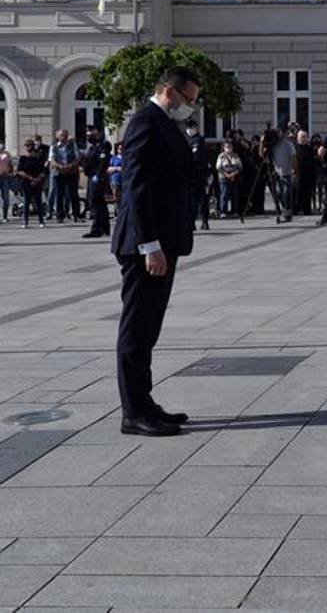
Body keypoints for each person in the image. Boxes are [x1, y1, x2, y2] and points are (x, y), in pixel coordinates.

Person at [110, 66, 201, 437]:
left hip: (163, 242)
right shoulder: (145, 122)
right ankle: (133, 412)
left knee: (148, 328)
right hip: (145, 245)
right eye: (188, 99)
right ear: (169, 91)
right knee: (136, 328)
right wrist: (150, 246)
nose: (190, 107)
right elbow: (137, 189)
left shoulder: (164, 123)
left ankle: (144, 402)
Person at [81, 127, 112, 238]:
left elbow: (103, 162)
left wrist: (98, 175)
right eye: (88, 136)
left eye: (91, 135)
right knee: (99, 203)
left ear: (97, 133)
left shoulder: (103, 145)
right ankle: (105, 228)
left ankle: (96, 229)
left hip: (98, 178)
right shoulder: (92, 148)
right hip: (91, 177)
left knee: (95, 202)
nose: (89, 137)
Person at [48, 129, 81, 223]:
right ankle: (60, 216)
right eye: (61, 135)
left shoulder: (72, 145)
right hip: (59, 173)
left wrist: (69, 166)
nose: (63, 137)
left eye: (65, 135)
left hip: (71, 172)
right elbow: (52, 160)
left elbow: (77, 157)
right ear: (58, 136)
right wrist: (60, 167)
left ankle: (76, 215)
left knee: (73, 194)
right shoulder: (54, 147)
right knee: (59, 195)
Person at [184, 119, 210, 231]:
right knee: (197, 200)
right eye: (188, 128)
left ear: (195, 128)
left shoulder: (198, 141)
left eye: (191, 128)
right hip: (196, 175)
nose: (189, 130)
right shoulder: (191, 140)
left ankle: (201, 221)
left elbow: (196, 158)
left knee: (197, 200)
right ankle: (198, 221)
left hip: (198, 175)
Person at [266, 126, 296, 222]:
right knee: (278, 193)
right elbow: (263, 154)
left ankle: (287, 211)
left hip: (286, 171)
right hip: (277, 172)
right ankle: (284, 210)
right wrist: (263, 141)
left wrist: (293, 169)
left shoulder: (288, 144)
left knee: (286, 193)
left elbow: (293, 157)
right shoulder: (273, 145)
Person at [15, 138, 47, 228]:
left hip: (37, 182)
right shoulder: (23, 158)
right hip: (26, 182)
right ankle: (25, 222)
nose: (28, 147)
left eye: (29, 145)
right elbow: (19, 171)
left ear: (33, 146)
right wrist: (31, 178)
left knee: (38, 202)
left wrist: (37, 179)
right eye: (27, 145)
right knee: (26, 202)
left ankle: (41, 221)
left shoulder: (38, 158)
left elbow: (43, 171)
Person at [215, 139, 241, 218]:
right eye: (227, 147)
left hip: (234, 177)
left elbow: (239, 167)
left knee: (235, 195)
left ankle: (234, 211)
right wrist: (226, 175)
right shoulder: (221, 156)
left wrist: (233, 174)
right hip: (223, 177)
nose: (229, 148)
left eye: (230, 146)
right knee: (224, 195)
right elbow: (218, 167)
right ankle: (223, 212)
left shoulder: (235, 155)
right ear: (224, 148)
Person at [294, 130, 316, 216]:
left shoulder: (309, 149)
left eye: (305, 137)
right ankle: (297, 209)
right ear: (298, 138)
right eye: (301, 137)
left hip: (308, 174)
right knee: (298, 192)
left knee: (308, 193)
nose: (303, 139)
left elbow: (313, 162)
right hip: (298, 174)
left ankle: (307, 209)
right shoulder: (295, 148)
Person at [108, 141, 124, 212]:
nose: (120, 150)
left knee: (124, 199)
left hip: (124, 181)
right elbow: (108, 169)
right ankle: (118, 213)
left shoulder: (126, 158)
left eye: (122, 148)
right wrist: (117, 168)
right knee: (116, 198)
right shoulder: (114, 158)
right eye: (119, 149)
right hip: (115, 181)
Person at [0, 142, 13, 222]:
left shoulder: (7, 155)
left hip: (5, 178)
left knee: (6, 198)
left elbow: (10, 165)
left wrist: (11, 172)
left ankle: (5, 216)